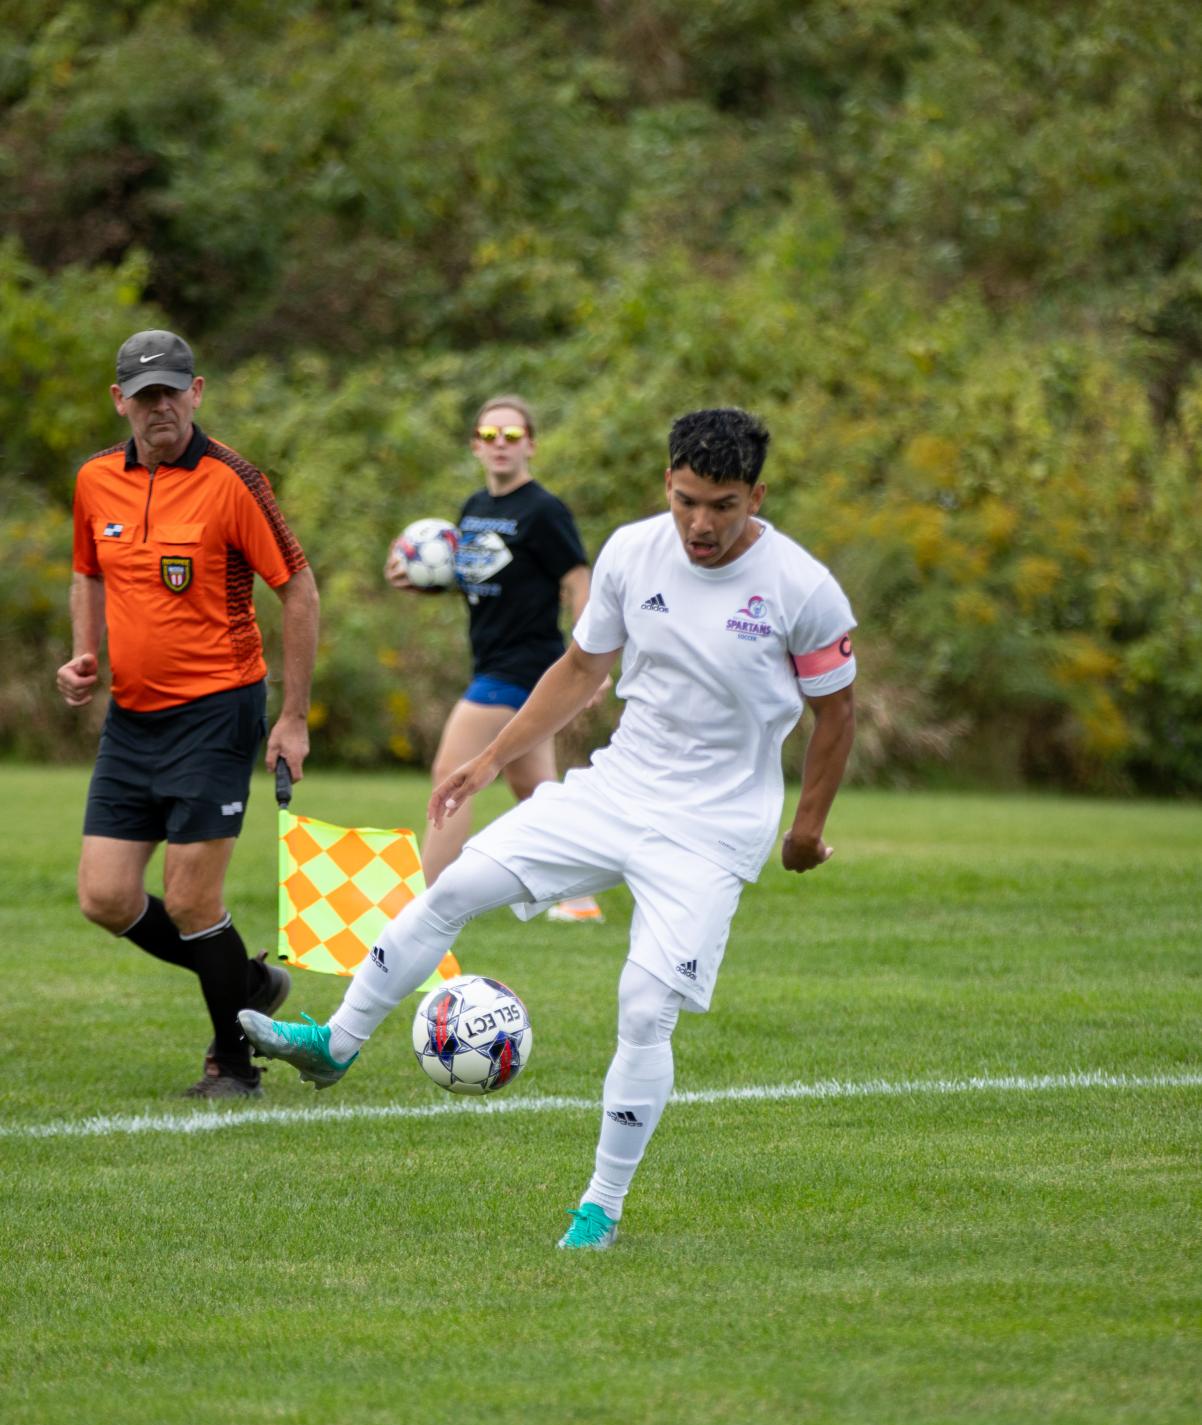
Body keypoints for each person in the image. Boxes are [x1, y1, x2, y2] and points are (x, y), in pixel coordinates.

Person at [242, 407, 856, 1248]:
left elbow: (837, 713)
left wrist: (805, 827)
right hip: (616, 789)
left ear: (757, 494)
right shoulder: (633, 553)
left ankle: (599, 1207)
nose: (701, 524)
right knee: (454, 885)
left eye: (722, 504)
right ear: (665, 485)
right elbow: (578, 670)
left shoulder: (802, 587)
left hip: (712, 829)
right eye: (685, 501)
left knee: (644, 1008)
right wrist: (490, 760)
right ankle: (335, 1042)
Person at [57, 328, 319, 1099]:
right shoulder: (95, 480)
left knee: (192, 898)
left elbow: (298, 590)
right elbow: (86, 571)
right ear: (121, 402)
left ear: (196, 391)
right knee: (104, 896)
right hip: (132, 719)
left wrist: (294, 718)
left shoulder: (233, 479)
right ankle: (248, 981)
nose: (159, 407)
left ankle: (234, 1064)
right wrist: (85, 654)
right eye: (144, 396)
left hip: (218, 711)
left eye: (171, 391)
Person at [385, 394, 604, 920]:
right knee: (532, 788)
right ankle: (576, 897)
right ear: (475, 446)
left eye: (511, 436)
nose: (500, 445)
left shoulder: (544, 511)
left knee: (451, 770)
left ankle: (429, 903)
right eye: (489, 436)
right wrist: (427, 586)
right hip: (491, 661)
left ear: (530, 445)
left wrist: (590, 657)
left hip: (526, 666)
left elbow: (578, 580)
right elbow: (478, 579)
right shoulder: (474, 509)